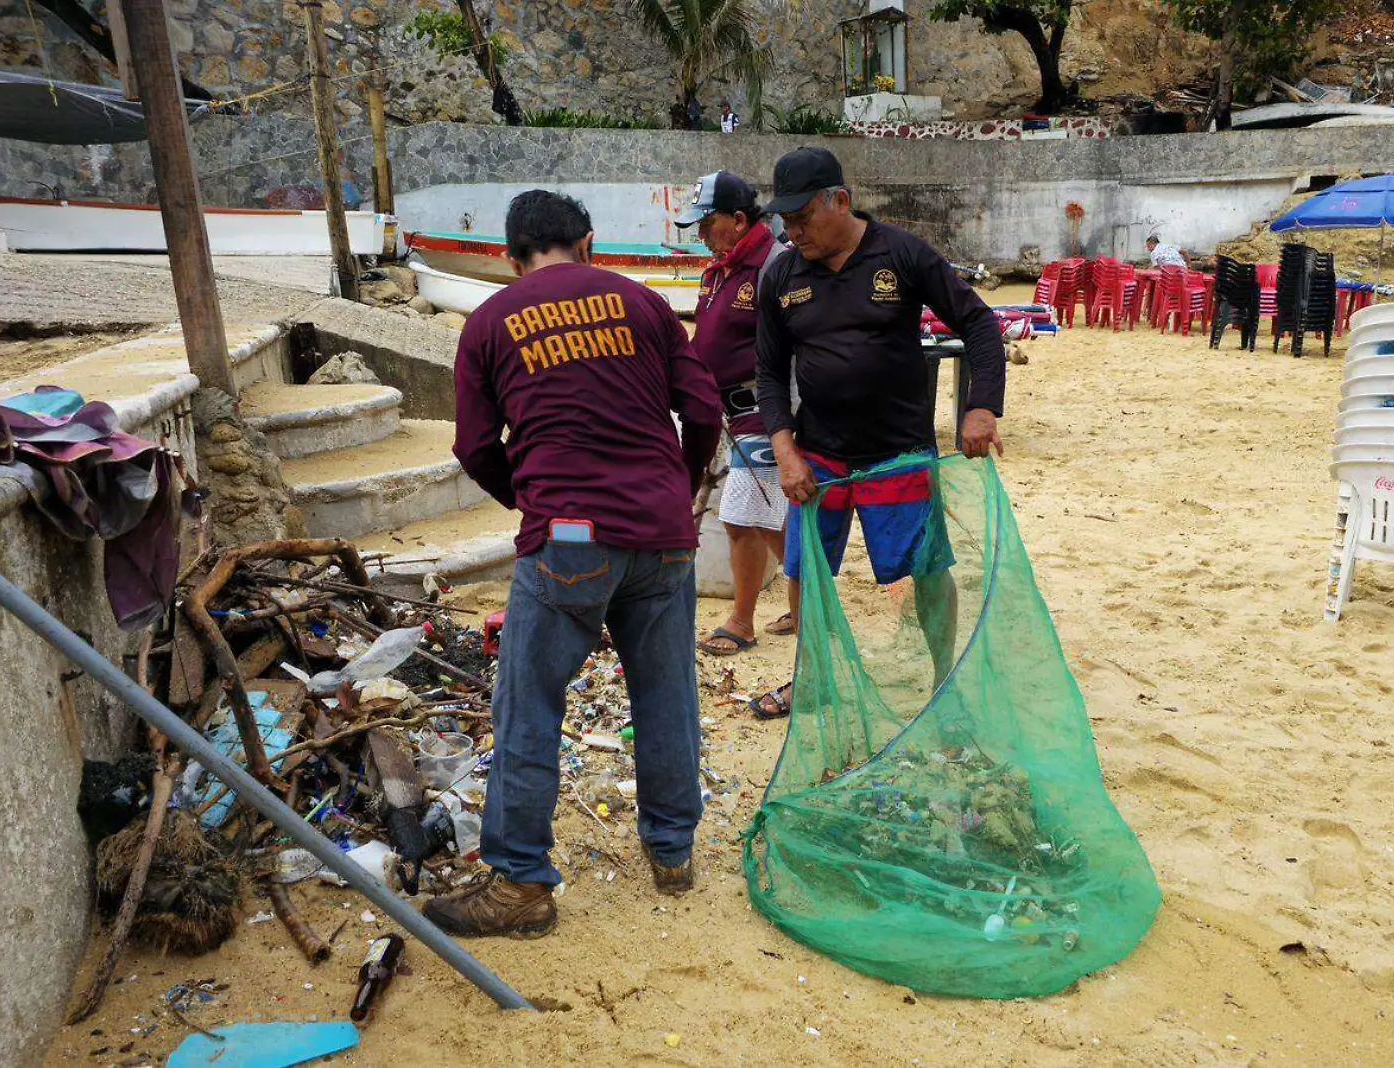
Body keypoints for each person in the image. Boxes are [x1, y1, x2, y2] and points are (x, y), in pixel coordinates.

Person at [430, 190, 723, 937]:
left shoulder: (491, 321)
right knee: (666, 695)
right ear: (587, 244)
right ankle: (672, 853)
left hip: (567, 539)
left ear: (509, 255)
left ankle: (522, 882)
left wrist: (526, 500)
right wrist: (676, 492)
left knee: (529, 704)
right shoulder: (644, 303)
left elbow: (472, 445)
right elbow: (705, 411)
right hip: (661, 535)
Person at [748, 146, 1006, 719]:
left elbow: (980, 325)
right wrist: (785, 451)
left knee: (928, 571)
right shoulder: (782, 276)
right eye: (784, 223)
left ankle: (945, 684)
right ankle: (810, 677)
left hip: (901, 455)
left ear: (840, 201)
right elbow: (768, 373)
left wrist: (981, 407)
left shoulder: (903, 254)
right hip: (819, 459)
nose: (792, 234)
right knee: (806, 569)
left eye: (802, 218)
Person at [674, 171, 791, 656]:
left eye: (707, 224)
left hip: (763, 411)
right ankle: (811, 601)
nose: (701, 236)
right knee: (771, 519)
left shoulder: (776, 265)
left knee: (745, 516)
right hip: (726, 412)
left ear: (739, 220)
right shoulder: (719, 269)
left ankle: (742, 622)